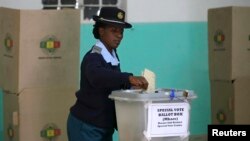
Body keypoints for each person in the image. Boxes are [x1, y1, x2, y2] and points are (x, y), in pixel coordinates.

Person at [67, 7, 148, 141]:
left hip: (104, 126)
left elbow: (110, 85)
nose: (119, 35)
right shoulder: (94, 57)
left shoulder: (112, 55)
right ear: (101, 31)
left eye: (121, 31)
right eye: (114, 31)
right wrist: (128, 78)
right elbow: (97, 76)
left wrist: (131, 89)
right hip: (87, 126)